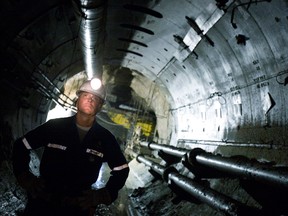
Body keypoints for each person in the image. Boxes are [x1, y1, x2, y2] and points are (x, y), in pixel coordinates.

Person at [12, 78, 130, 216]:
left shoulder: (105, 138)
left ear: (100, 106)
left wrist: (103, 194)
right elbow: (22, 145)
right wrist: (25, 176)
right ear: (77, 100)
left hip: (78, 206)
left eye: (95, 98)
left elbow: (121, 169)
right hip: (44, 201)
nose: (90, 99)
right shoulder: (54, 127)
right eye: (85, 95)